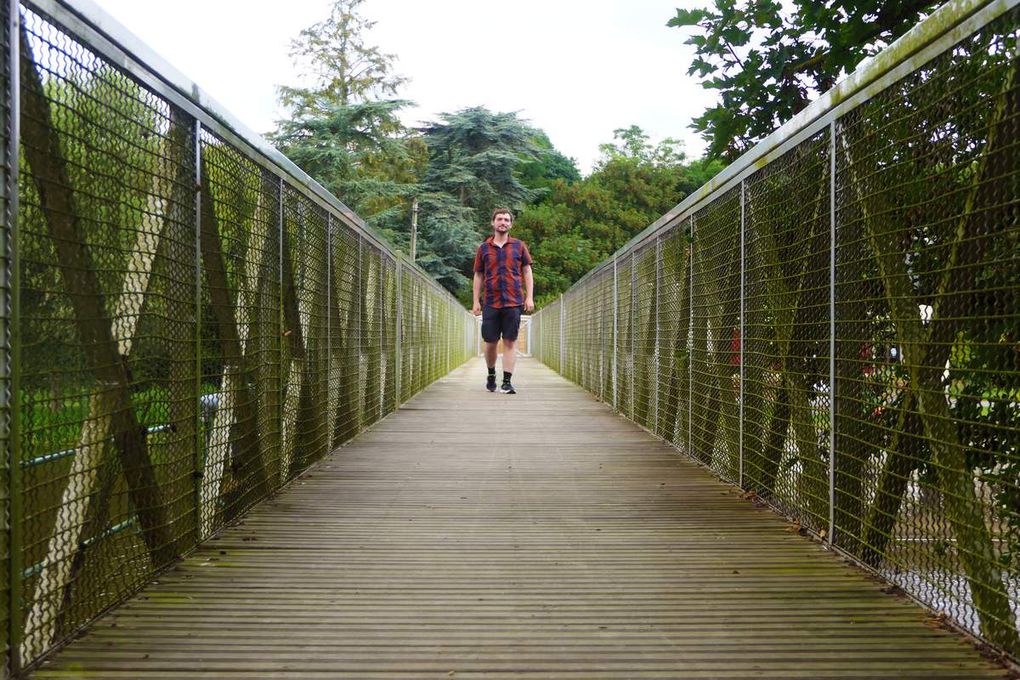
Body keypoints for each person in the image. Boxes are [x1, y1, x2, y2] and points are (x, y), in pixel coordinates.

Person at [471, 208, 534, 394]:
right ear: (493, 223)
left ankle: (507, 382)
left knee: (509, 341)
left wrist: (529, 297)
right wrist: (476, 301)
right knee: (490, 342)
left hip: (513, 301)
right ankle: (491, 374)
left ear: (511, 224)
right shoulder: (483, 248)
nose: (503, 222)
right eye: (499, 219)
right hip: (491, 301)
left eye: (507, 220)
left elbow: (527, 271)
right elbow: (478, 275)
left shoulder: (519, 246)